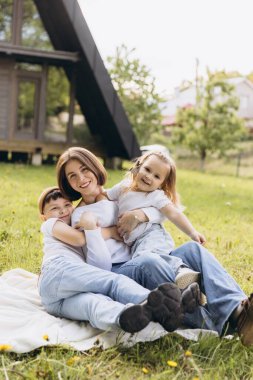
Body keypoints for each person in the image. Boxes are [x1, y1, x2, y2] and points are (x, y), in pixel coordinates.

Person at [56, 146, 253, 347]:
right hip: (122, 269)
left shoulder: (118, 192)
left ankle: (239, 309)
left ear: (94, 166)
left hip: (148, 250)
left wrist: (142, 214)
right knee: (149, 261)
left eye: (84, 169)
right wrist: (109, 231)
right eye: (72, 176)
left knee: (194, 250)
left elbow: (164, 207)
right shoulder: (81, 215)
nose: (81, 178)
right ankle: (226, 323)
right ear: (68, 183)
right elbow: (92, 258)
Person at [37, 186, 199, 334]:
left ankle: (123, 317)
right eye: (54, 208)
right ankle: (162, 306)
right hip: (59, 269)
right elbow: (79, 239)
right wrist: (110, 231)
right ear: (43, 217)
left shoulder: (72, 223)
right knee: (113, 282)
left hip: (54, 301)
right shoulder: (51, 224)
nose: (63, 211)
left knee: (94, 305)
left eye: (67, 205)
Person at [103, 151, 207, 295]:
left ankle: (181, 269)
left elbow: (174, 213)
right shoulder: (123, 187)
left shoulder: (156, 196)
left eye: (156, 176)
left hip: (152, 234)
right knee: (143, 262)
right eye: (147, 169)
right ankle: (186, 291)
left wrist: (192, 232)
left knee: (148, 256)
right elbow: (105, 194)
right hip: (136, 243)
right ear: (139, 166)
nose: (149, 176)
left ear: (161, 184)